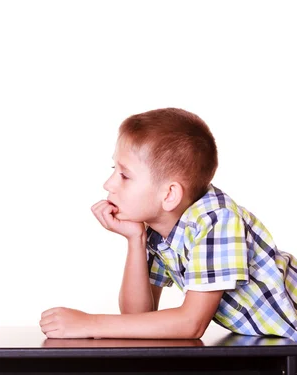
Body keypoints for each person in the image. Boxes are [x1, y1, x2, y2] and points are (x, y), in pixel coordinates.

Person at [40, 108, 297, 341]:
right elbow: (137, 315)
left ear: (169, 195)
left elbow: (191, 324)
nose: (108, 184)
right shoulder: (162, 229)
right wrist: (135, 240)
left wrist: (90, 324)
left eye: (124, 175)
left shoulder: (215, 219)